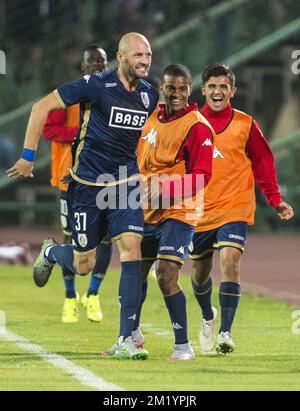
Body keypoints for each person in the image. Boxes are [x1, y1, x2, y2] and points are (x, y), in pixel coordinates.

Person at [7, 32, 159, 360]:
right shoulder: (96, 85)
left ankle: (126, 338)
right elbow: (41, 107)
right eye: (138, 56)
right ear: (121, 57)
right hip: (87, 187)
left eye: (148, 55)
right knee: (83, 263)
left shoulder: (150, 93)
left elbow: (144, 138)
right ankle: (50, 253)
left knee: (132, 249)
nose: (145, 61)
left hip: (124, 184)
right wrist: (28, 156)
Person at [105, 64, 214, 360]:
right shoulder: (150, 118)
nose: (175, 94)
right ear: (162, 89)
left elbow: (202, 175)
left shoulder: (198, 126)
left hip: (179, 211)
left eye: (181, 88)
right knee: (133, 273)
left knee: (165, 275)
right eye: (170, 88)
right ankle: (129, 336)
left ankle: (183, 347)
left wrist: (166, 191)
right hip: (145, 209)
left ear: (189, 89)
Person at [189, 63, 294, 355]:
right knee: (199, 273)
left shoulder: (246, 123)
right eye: (212, 86)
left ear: (233, 91)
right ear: (203, 90)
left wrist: (274, 199)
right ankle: (208, 316)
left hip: (235, 207)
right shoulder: (192, 123)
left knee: (230, 262)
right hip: (199, 211)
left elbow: (263, 162)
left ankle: (225, 332)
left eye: (224, 86)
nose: (218, 91)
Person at [42, 44, 113, 324]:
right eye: (91, 60)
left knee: (107, 238)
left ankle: (93, 294)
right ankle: (70, 298)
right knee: (72, 237)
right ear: (82, 67)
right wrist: (83, 132)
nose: (96, 64)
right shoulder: (69, 94)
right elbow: (49, 128)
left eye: (101, 60)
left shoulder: (113, 94)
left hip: (107, 178)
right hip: (68, 177)